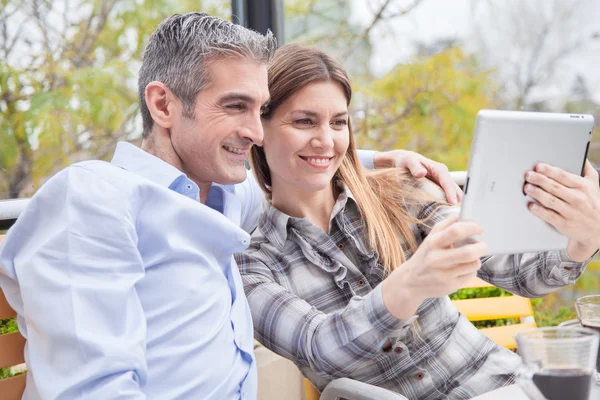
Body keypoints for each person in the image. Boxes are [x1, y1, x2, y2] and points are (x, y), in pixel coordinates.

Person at [0, 13, 462, 400]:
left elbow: (297, 162)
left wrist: (381, 158)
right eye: (235, 106)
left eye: (259, 111)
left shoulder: (230, 194)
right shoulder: (91, 198)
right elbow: (95, 390)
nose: (258, 134)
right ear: (164, 105)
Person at [235, 43, 600, 399]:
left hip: (505, 384)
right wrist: (409, 284)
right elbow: (319, 347)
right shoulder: (253, 263)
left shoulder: (397, 193)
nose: (326, 141)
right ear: (259, 129)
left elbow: (521, 274)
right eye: (304, 121)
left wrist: (582, 238)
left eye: (339, 122)